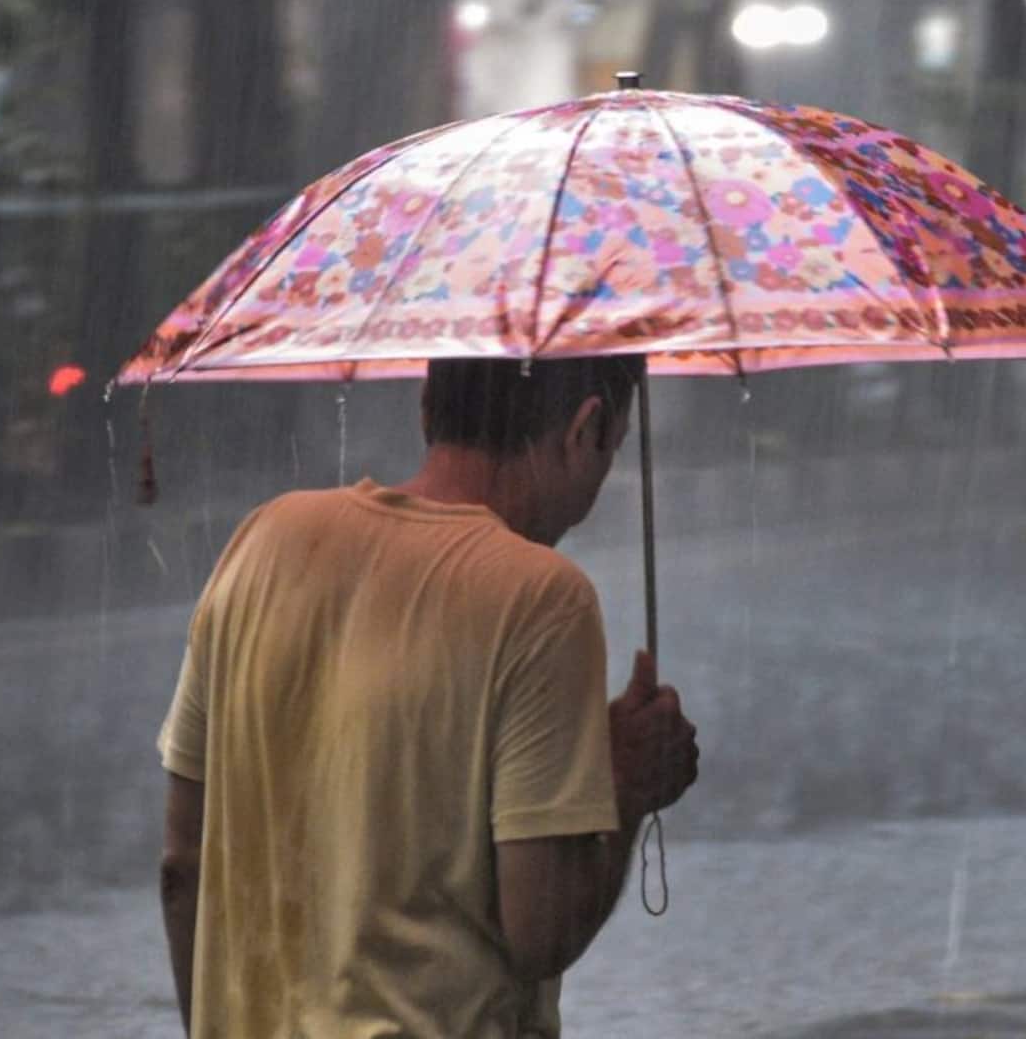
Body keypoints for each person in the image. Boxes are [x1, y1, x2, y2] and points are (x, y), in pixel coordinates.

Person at [155, 356, 699, 1038]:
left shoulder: (263, 542)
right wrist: (624, 789)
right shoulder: (538, 598)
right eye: (612, 449)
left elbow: (181, 867)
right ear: (586, 427)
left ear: (426, 403)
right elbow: (538, 931)